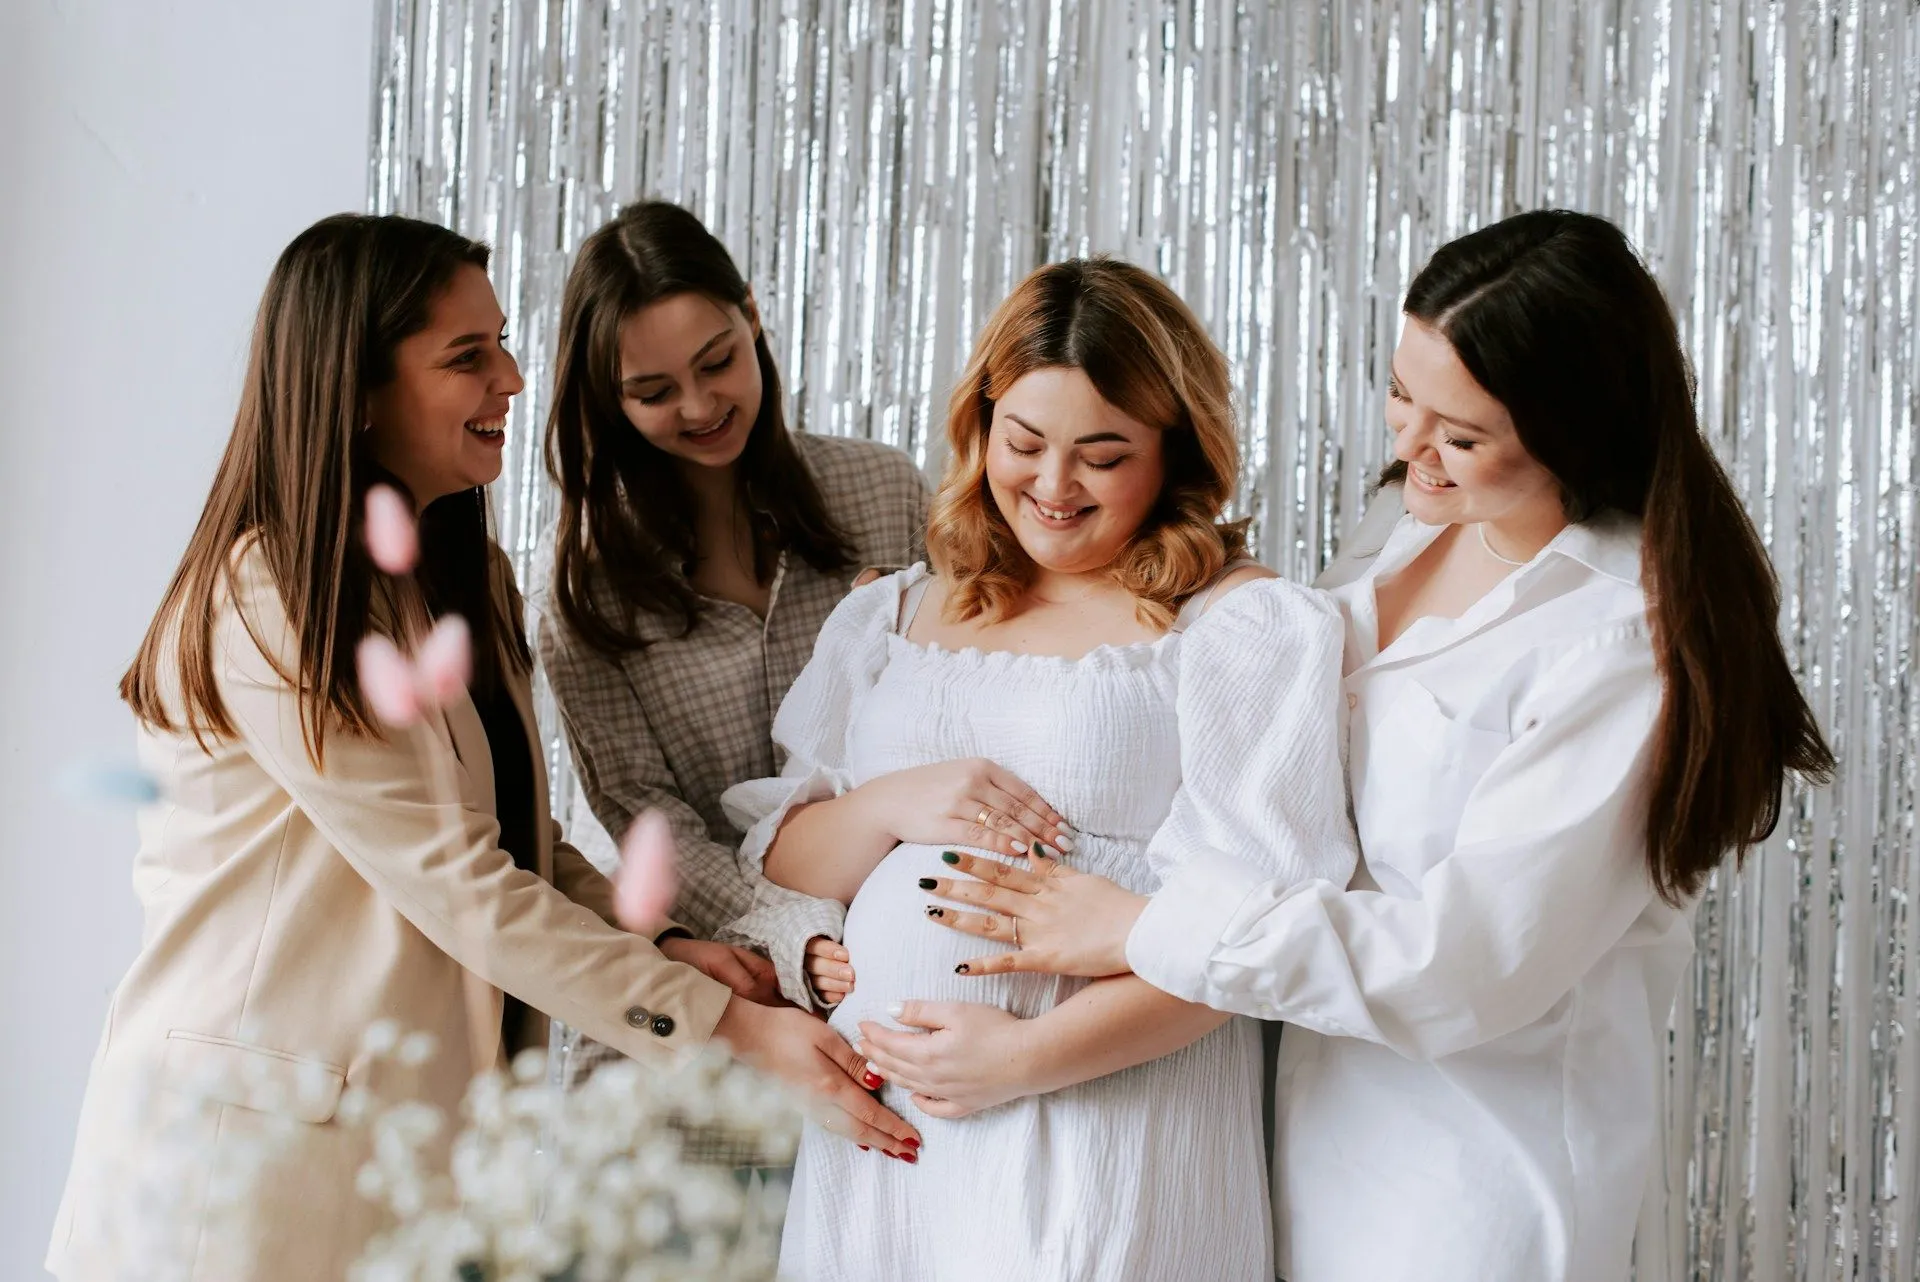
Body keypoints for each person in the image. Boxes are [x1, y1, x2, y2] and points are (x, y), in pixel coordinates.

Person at [919, 209, 1836, 1282]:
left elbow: (1461, 967)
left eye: (1460, 432)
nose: (1408, 447)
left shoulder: (1616, 642)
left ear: (1573, 433)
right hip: (1286, 1128)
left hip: (1468, 1175)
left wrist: (1148, 927)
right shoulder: (1412, 523)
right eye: (1403, 395)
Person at [46, 213, 920, 1282]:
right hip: (243, 1162)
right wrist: (731, 1024)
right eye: (468, 356)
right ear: (356, 390)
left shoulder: (469, 581)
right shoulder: (271, 593)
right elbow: (458, 881)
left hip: (407, 1153)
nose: (510, 374)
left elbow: (518, 843)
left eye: (501, 341)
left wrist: (663, 947)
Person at [724, 257, 1357, 1279]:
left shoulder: (1236, 626)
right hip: (893, 1151)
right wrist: (899, 801)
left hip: (1113, 1121)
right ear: (981, 430)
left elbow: (1257, 936)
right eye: (1025, 443)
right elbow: (782, 866)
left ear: (1174, 453)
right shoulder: (891, 614)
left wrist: (1020, 1059)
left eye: (1102, 456)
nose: (1053, 487)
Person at [539, 199, 927, 1008]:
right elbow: (646, 818)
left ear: (751, 315)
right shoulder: (585, 585)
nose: (698, 405)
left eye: (716, 361)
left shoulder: (883, 490)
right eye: (652, 391)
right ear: (610, 401)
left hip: (899, 968)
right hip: (708, 992)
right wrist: (795, 931)